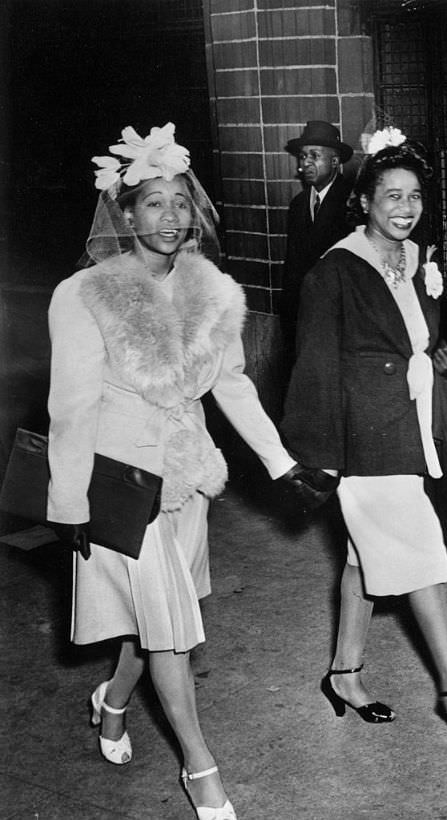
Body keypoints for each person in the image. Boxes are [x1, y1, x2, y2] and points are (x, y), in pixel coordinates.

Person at [46, 123, 327, 820]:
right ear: (125, 214)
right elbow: (71, 407)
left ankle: (113, 701)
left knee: (161, 623)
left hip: (190, 478)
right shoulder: (85, 295)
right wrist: (68, 501)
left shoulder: (213, 289)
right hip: (123, 486)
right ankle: (201, 769)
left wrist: (282, 463)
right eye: (154, 203)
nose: (171, 217)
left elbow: (232, 385)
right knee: (170, 628)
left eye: (180, 202)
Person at [281, 129, 447, 745]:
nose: (405, 208)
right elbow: (314, 367)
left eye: (414, 195)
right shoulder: (334, 271)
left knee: (364, 557)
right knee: (417, 555)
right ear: (363, 201)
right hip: (363, 435)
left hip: (414, 423)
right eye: (391, 195)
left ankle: (344, 673)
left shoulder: (415, 257)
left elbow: (417, 336)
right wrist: (318, 459)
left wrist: (441, 362)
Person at [280, 121, 353, 370]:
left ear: (334, 161)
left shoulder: (352, 202)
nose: (305, 163)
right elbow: (292, 268)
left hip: (339, 320)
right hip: (303, 321)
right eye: (302, 156)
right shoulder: (298, 205)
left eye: (314, 155)